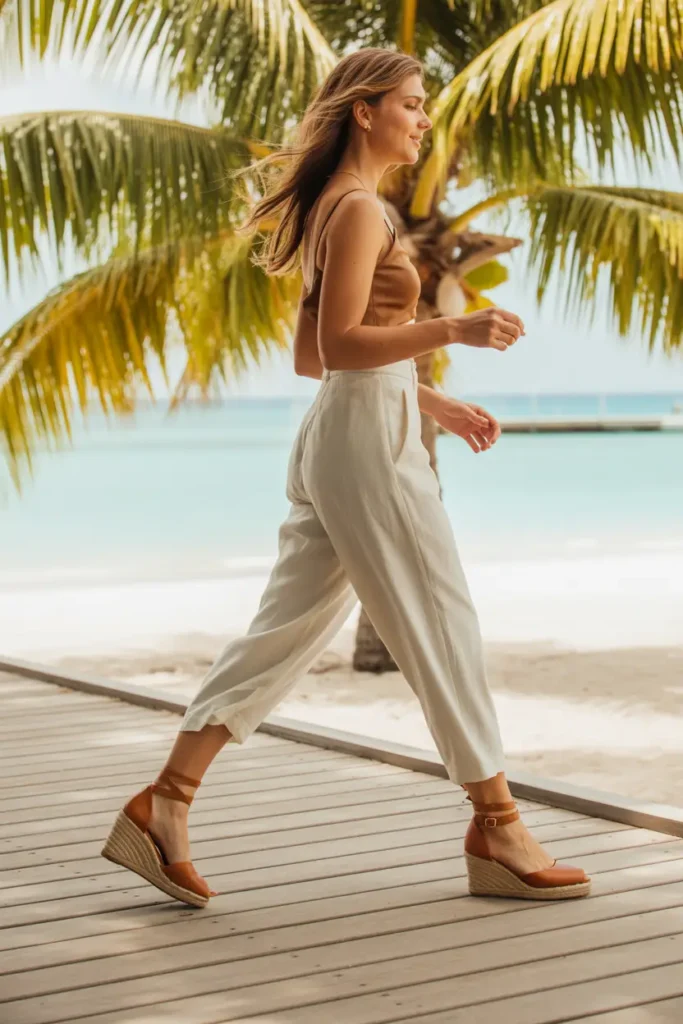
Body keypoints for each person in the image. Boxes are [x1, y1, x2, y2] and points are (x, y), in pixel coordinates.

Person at [102, 47, 590, 907]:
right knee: (441, 617)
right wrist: (454, 334)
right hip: (363, 444)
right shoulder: (358, 211)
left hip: (347, 433)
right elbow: (333, 351)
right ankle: (498, 823)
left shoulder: (337, 207)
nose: (423, 119)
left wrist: (430, 405)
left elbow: (314, 357)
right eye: (410, 103)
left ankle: (163, 805)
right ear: (363, 111)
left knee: (282, 631)